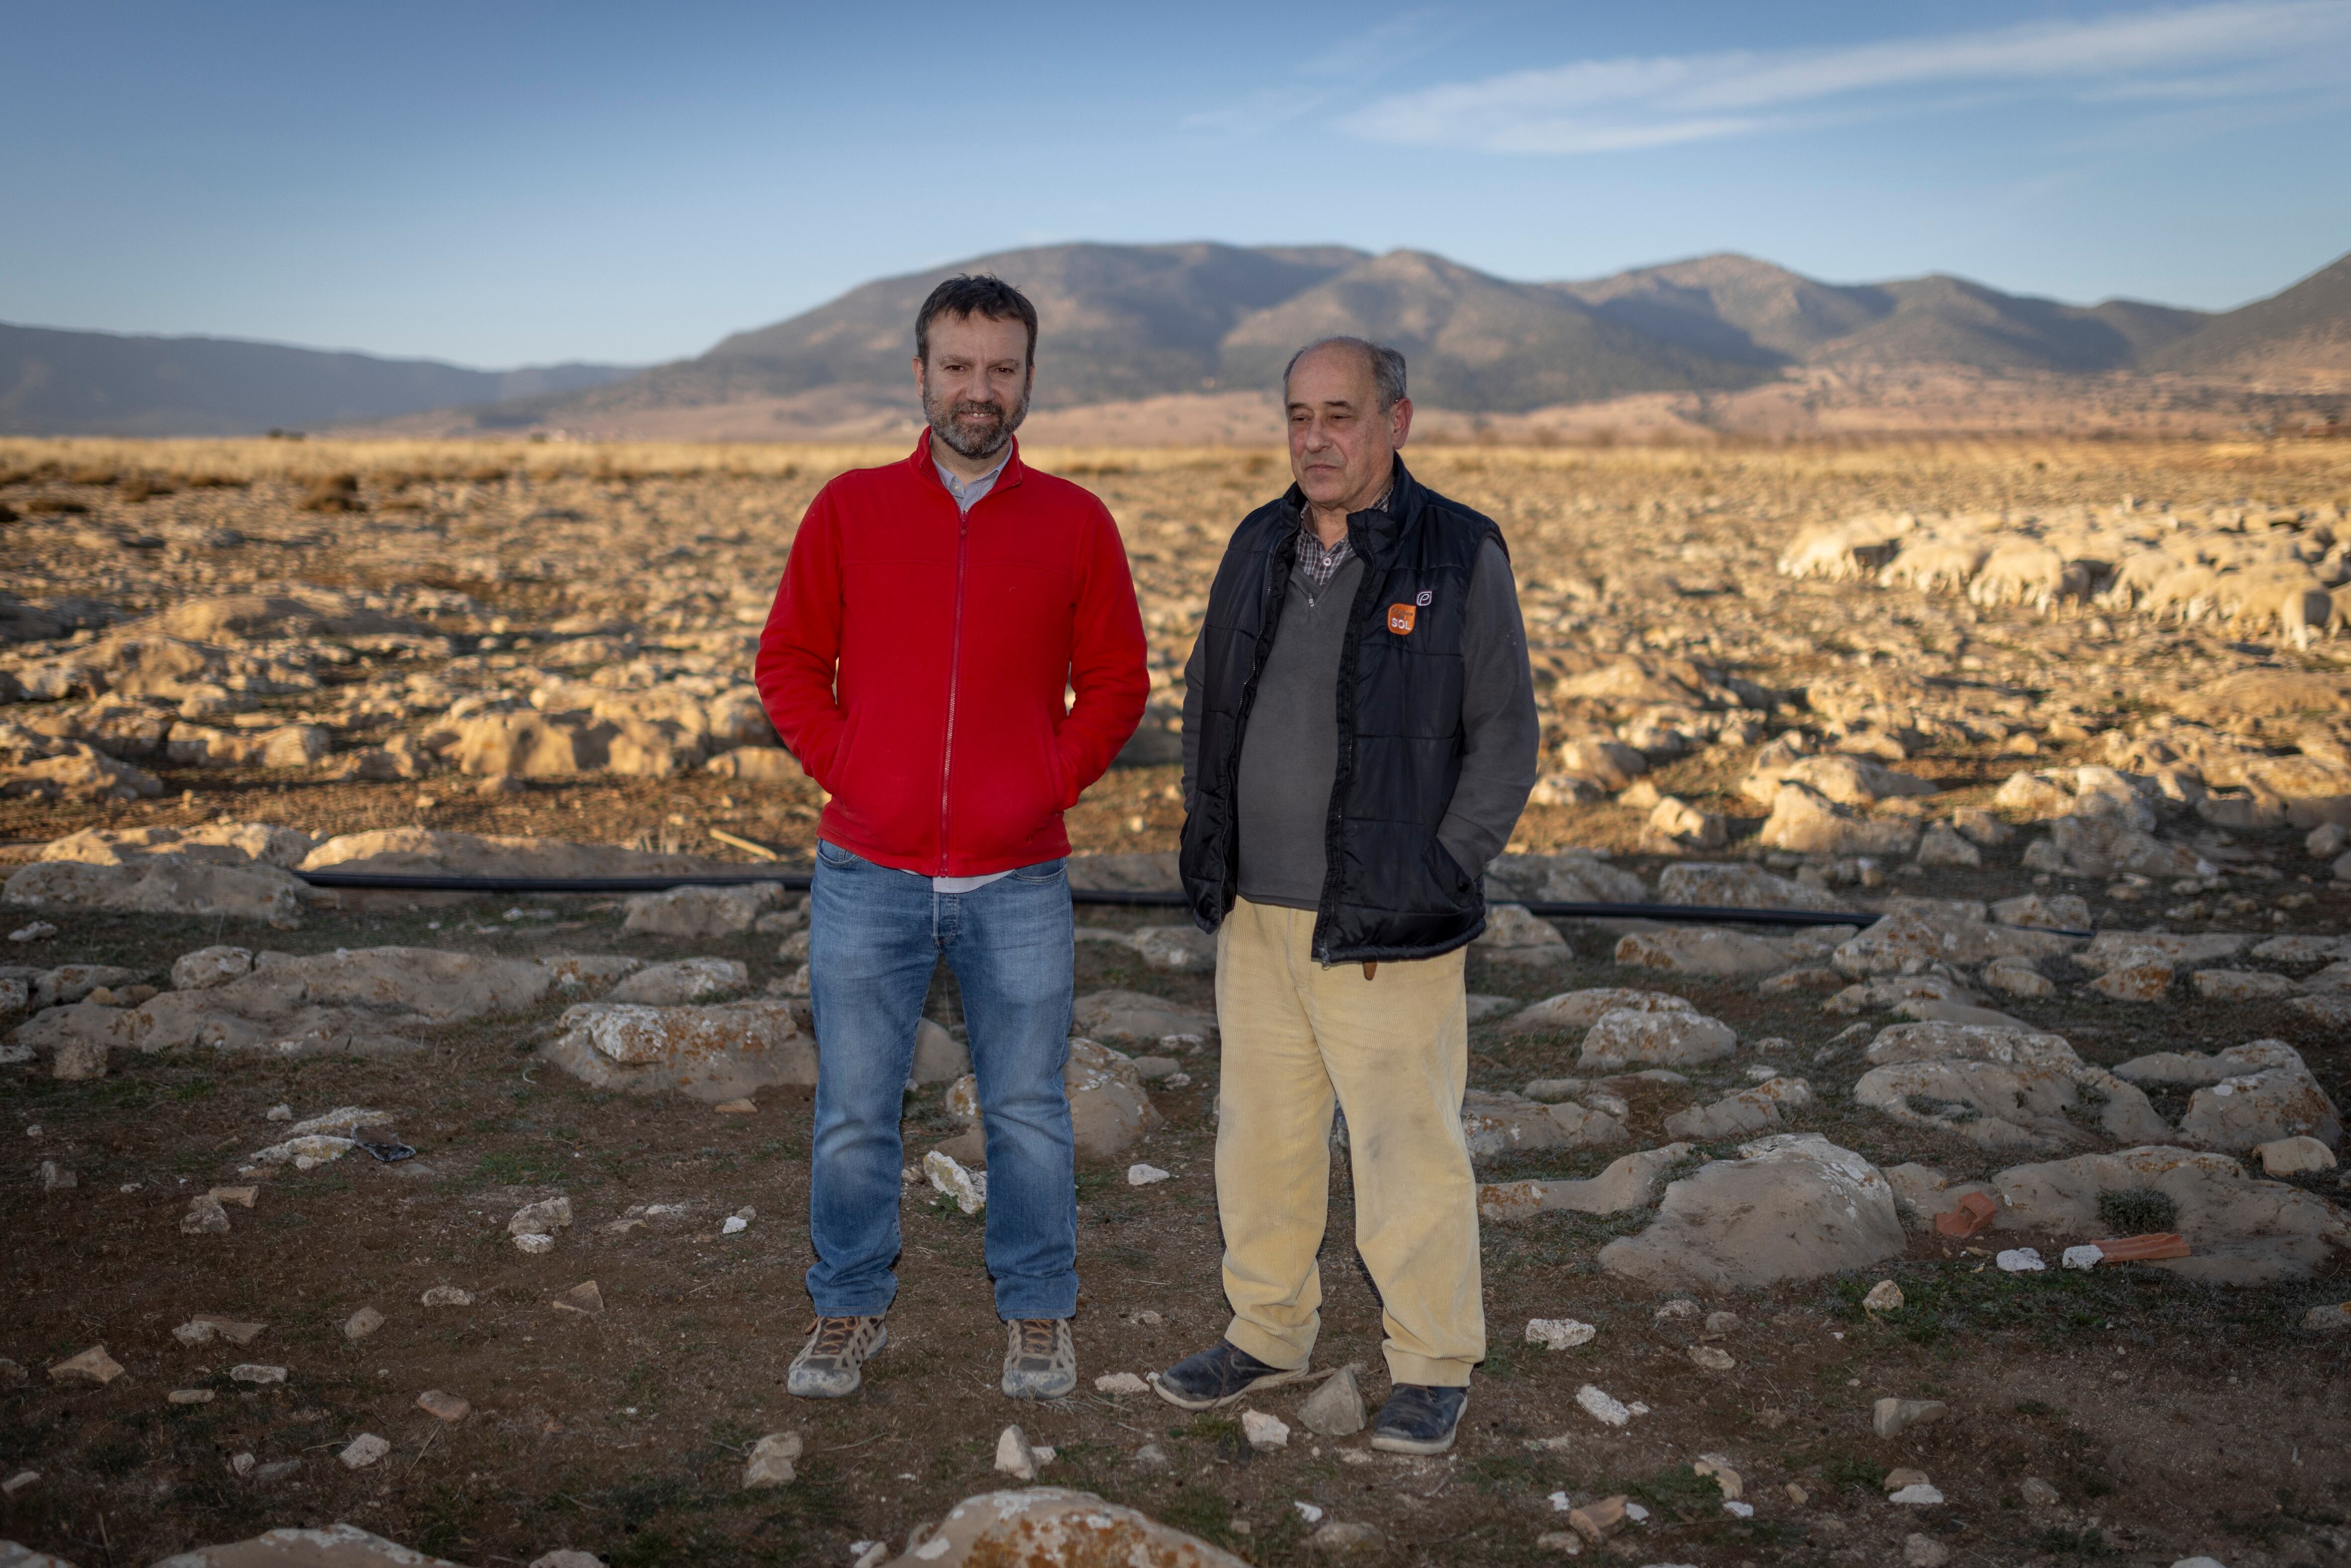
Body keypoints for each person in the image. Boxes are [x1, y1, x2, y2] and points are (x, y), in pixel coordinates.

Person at [754, 274, 1148, 1401]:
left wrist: (1041, 785)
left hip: (1016, 876)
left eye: (1004, 369)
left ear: (1029, 378)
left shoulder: (1075, 521)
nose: (981, 390)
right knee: (853, 1111)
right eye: (959, 367)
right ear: (920, 373)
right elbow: (787, 663)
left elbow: (1118, 682)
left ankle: (1035, 1309)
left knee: (1026, 1107)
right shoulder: (848, 509)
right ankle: (846, 1305)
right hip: (866, 871)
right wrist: (856, 769)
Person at [1158, 335, 1539, 1455]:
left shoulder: (1459, 550)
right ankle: (1268, 1330)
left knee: (1404, 1146)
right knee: (1261, 1139)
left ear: (1396, 422)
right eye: (1296, 417)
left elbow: (1506, 737)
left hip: (1386, 920)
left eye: (1339, 414)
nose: (1314, 438)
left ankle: (1429, 1360)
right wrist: (1207, 830)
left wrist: (1438, 869)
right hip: (1259, 911)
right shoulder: (1257, 541)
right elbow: (1205, 701)